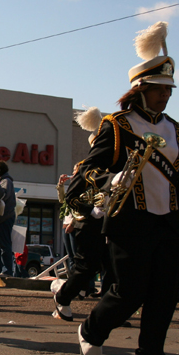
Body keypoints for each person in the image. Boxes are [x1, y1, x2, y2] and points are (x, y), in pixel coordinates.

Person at [66, 22, 179, 355]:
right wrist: (110, 180)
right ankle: (91, 331)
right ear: (140, 89)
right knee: (130, 292)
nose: (165, 95)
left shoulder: (173, 128)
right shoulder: (118, 126)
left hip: (167, 219)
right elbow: (86, 173)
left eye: (169, 89)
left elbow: (170, 170)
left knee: (165, 294)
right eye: (159, 88)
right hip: (130, 219)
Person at [53, 107, 111, 321]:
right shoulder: (88, 167)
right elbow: (71, 197)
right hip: (88, 224)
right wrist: (91, 210)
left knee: (112, 268)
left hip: (111, 224)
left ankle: (109, 309)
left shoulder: (116, 167)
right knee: (87, 268)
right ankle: (62, 297)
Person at [0, 160, 17, 277]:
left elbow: (3, 195)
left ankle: (7, 270)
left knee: (4, 245)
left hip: (4, 218)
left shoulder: (6, 181)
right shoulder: (2, 181)